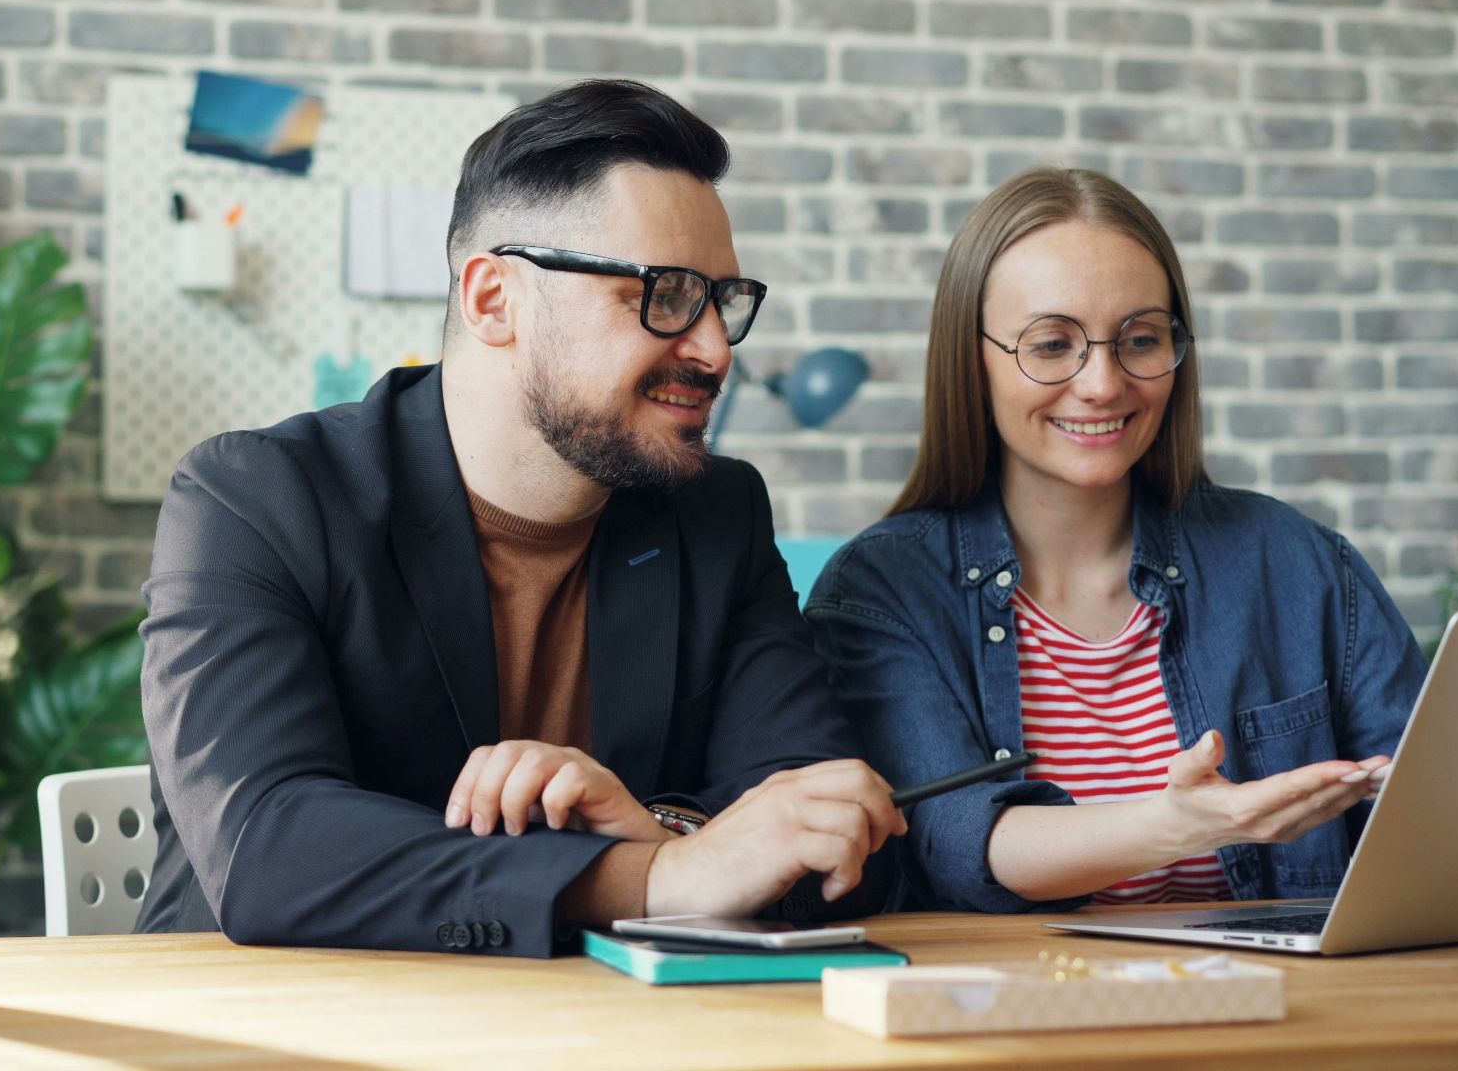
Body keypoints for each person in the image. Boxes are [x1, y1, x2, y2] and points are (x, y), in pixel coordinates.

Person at [135, 79, 903, 957]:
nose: (714, 348)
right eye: (663, 294)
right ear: (494, 299)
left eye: (720, 301)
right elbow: (269, 848)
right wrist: (656, 877)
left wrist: (655, 829)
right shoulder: (256, 499)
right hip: (263, 1025)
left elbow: (836, 833)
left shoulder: (714, 515)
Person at [804, 167, 1426, 913]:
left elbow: (1438, 810)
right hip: (1016, 1016)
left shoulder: (1299, 564)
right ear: (973, 361)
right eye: (1052, 344)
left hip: (1282, 1013)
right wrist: (1175, 827)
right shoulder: (882, 592)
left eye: (1139, 339)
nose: (1102, 383)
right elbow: (960, 841)